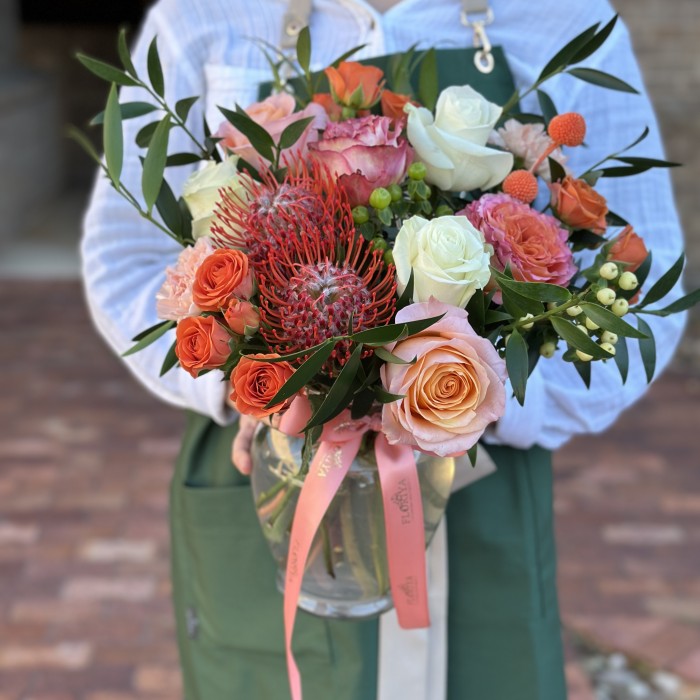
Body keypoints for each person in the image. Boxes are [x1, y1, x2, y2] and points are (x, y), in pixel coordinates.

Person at [81, 0, 686, 698]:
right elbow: (124, 259)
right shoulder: (203, 15)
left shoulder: (560, 15)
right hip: (270, 467)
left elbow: (646, 283)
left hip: (477, 491)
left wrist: (473, 395)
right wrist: (254, 383)